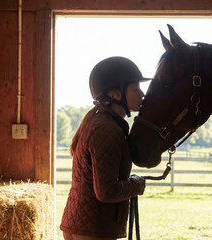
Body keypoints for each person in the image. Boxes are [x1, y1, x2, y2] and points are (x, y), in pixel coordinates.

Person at [60, 57, 150, 240]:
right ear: (116, 94)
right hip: (94, 229)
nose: (142, 94)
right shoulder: (107, 129)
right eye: (136, 89)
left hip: (83, 225)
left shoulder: (100, 122)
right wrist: (136, 184)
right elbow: (107, 191)